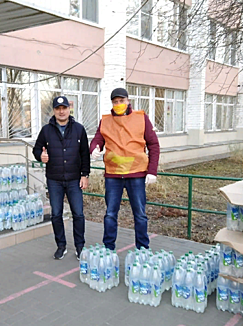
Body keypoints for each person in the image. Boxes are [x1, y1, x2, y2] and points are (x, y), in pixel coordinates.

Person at [90, 87, 160, 251]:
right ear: (112, 103)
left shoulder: (141, 118)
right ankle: (108, 248)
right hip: (113, 175)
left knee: (140, 215)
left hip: (136, 174)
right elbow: (97, 139)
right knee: (110, 214)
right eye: (115, 102)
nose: (119, 104)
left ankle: (143, 249)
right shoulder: (106, 121)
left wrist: (152, 171)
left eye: (122, 101)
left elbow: (154, 145)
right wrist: (94, 148)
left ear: (128, 101)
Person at [33, 96, 90, 260]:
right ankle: (61, 246)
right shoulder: (46, 130)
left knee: (78, 214)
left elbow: (84, 154)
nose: (61, 111)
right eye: (58, 108)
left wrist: (85, 175)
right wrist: (40, 156)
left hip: (74, 179)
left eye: (64, 108)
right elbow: (37, 150)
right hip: (54, 180)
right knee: (56, 214)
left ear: (69, 109)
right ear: (54, 111)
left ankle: (80, 247)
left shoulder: (79, 129)